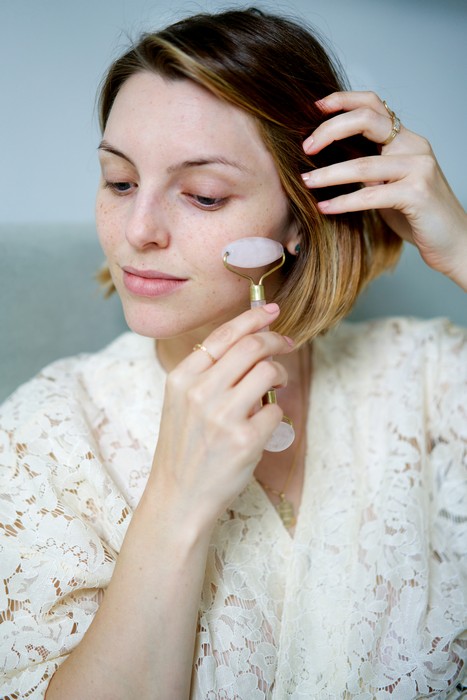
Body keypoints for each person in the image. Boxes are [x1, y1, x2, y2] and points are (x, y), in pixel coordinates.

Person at [1, 7, 466, 699]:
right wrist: (176, 502)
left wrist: (461, 245)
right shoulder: (43, 435)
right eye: (119, 182)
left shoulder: (425, 378)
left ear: (300, 218)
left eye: (203, 195)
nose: (138, 230)